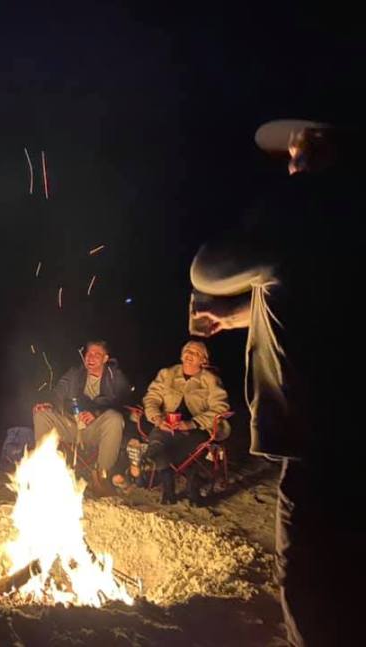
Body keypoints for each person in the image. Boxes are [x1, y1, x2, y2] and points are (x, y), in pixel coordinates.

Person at [190, 119, 362, 645]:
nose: (288, 164)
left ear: (313, 157)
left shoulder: (308, 213)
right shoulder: (344, 229)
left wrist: (281, 204)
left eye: (294, 155)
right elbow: (291, 294)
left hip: (317, 433)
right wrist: (232, 319)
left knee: (312, 576)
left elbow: (206, 270)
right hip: (348, 426)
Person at [32, 340, 129, 496]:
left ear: (105, 359)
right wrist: (47, 403)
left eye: (96, 355)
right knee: (41, 415)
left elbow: (124, 403)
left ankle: (101, 477)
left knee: (114, 418)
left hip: (97, 429)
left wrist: (97, 413)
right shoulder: (74, 373)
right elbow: (58, 391)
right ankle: (46, 472)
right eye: (88, 354)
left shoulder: (115, 377)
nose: (90, 358)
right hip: (72, 425)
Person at [139, 340, 230, 504]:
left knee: (188, 447)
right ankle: (167, 486)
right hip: (167, 424)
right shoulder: (167, 374)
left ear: (204, 360)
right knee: (158, 440)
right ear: (181, 355)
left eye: (196, 353)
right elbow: (151, 399)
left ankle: (191, 484)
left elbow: (220, 408)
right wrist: (158, 419)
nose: (190, 354)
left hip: (198, 427)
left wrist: (192, 423)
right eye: (187, 350)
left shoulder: (210, 379)